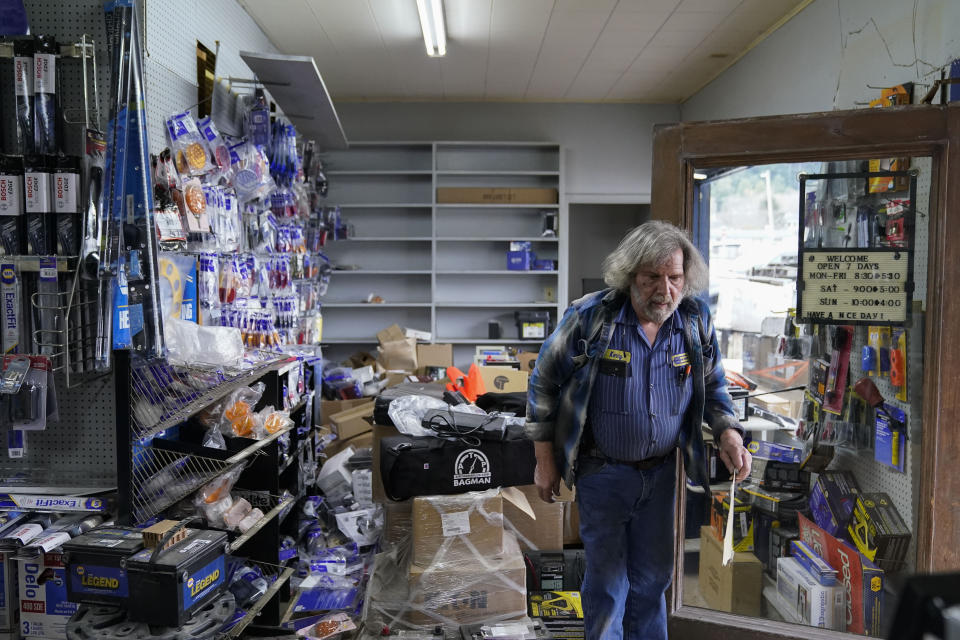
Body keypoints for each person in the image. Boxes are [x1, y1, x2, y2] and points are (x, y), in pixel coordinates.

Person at [525, 220, 751, 640]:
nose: (664, 290)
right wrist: (544, 462)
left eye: (675, 278)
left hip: (663, 475)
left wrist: (729, 435)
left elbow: (715, 386)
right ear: (630, 276)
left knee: (653, 582)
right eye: (652, 278)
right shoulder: (591, 317)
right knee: (609, 586)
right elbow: (542, 383)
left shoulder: (694, 321)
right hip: (603, 473)